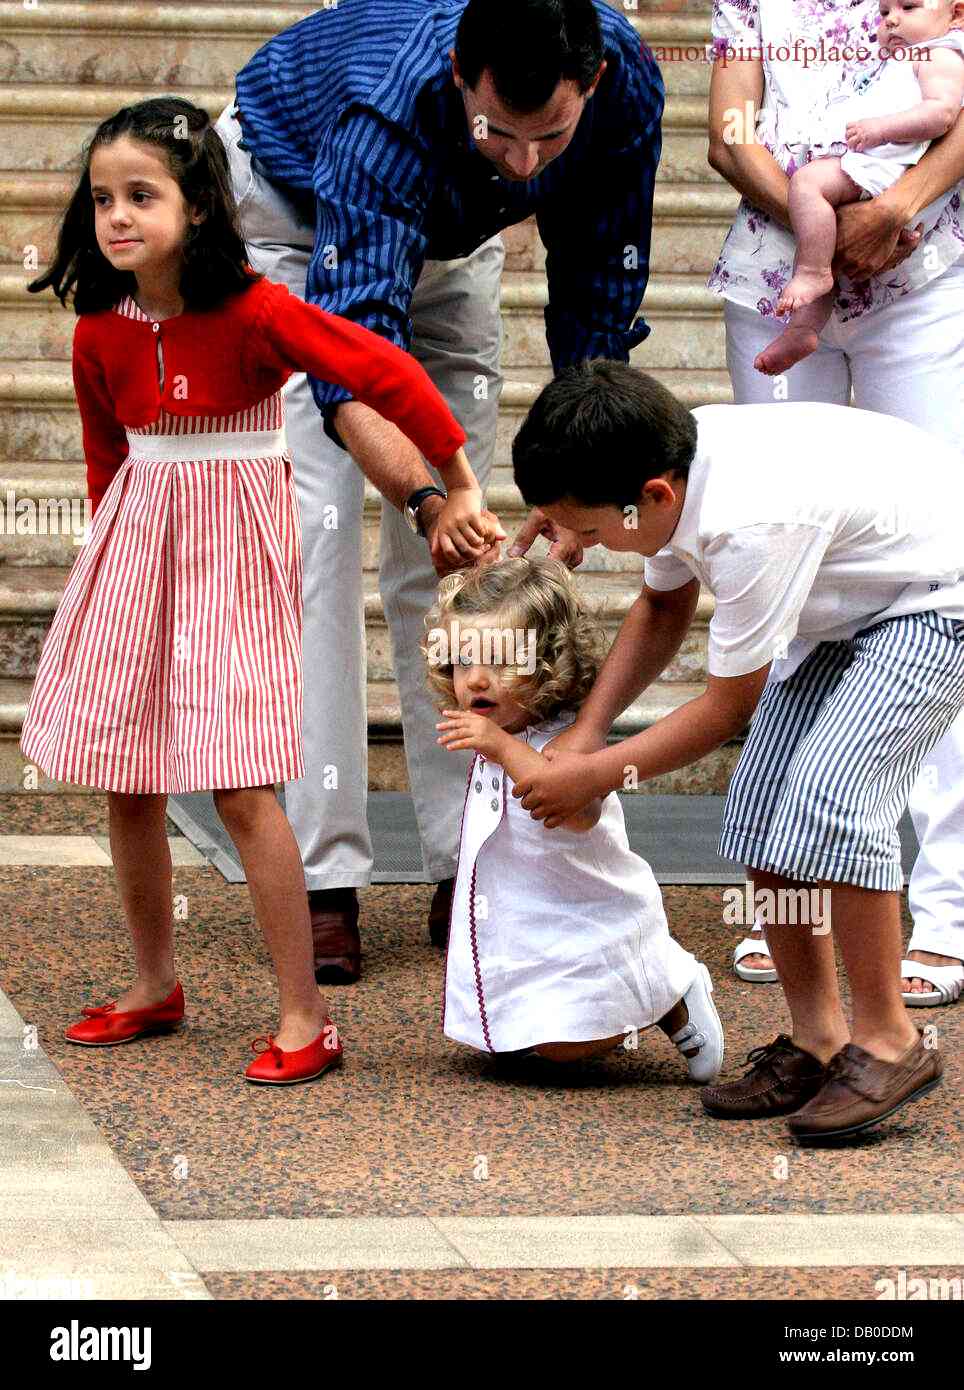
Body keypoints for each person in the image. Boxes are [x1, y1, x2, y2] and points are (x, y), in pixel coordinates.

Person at [19, 97, 495, 1085]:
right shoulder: (99, 333)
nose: (116, 216)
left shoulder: (256, 311)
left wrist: (454, 473)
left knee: (240, 782)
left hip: (234, 552)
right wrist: (104, 566)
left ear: (198, 205)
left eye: (140, 195)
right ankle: (156, 983)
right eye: (102, 197)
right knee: (129, 772)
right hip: (134, 551)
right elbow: (107, 458)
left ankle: (304, 1013)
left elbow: (383, 368)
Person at [214, 0, 665, 980]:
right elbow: (346, 370)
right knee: (317, 539)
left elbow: (596, 286)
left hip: (455, 241)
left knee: (460, 570)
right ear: (461, 73)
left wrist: (575, 483)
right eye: (497, 131)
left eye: (549, 135)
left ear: (590, 85)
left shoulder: (625, 90)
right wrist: (430, 495)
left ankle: (470, 859)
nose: (524, 161)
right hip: (293, 214)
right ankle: (323, 874)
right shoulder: (388, 105)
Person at [508, 362, 964, 1141]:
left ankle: (889, 1040)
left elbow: (726, 708)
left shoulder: (748, 522)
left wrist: (595, 772)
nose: (584, 548)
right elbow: (661, 602)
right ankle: (820, 1039)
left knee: (833, 798)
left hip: (938, 596)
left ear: (654, 495)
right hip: (851, 604)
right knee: (759, 818)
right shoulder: (671, 473)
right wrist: (588, 731)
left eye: (587, 531)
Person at [708, 0, 964, 1007]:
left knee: (942, 574)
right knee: (783, 569)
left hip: (927, 274)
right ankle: (795, 896)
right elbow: (729, 131)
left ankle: (946, 908)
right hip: (779, 277)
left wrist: (895, 205)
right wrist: (819, 224)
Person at [429, 557, 724, 1078]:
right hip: (523, 914)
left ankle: (672, 990)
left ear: (548, 664)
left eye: (499, 662)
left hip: (588, 913)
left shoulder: (567, 741)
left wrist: (499, 747)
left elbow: (579, 812)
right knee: (521, 1042)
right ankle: (543, 1026)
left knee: (568, 1044)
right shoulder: (499, 733)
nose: (475, 679)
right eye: (461, 661)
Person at [757, 2, 964, 375]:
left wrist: (880, 129)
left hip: (883, 169)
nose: (892, 19)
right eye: (884, 14)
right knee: (820, 232)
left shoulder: (941, 54)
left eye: (909, 7)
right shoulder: (906, 56)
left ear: (956, 13)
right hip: (871, 163)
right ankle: (804, 328)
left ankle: (812, 274)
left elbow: (942, 113)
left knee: (807, 186)